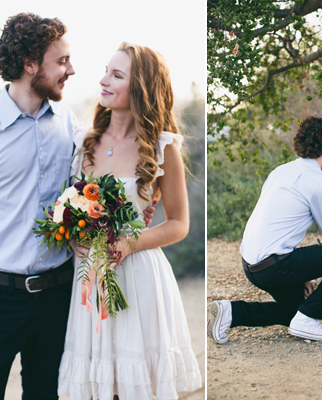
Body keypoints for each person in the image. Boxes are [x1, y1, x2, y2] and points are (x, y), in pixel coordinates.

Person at [0, 13, 155, 400]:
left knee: (47, 395)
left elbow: (88, 189)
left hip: (58, 294)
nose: (72, 70)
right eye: (62, 61)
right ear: (30, 64)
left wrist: (131, 210)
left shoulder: (68, 125)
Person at [57, 42, 201, 400]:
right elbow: (70, 207)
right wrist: (73, 232)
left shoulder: (161, 147)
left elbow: (179, 224)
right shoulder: (83, 143)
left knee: (135, 387)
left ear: (139, 88)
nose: (103, 80)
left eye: (116, 75)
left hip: (138, 279)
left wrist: (128, 243)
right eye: (106, 70)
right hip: (90, 278)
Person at [207, 116, 322, 343]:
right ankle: (310, 319)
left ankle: (230, 312)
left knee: (294, 312)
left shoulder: (280, 171)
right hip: (274, 266)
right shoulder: (318, 182)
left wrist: (299, 276)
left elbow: (278, 228)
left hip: (252, 266)